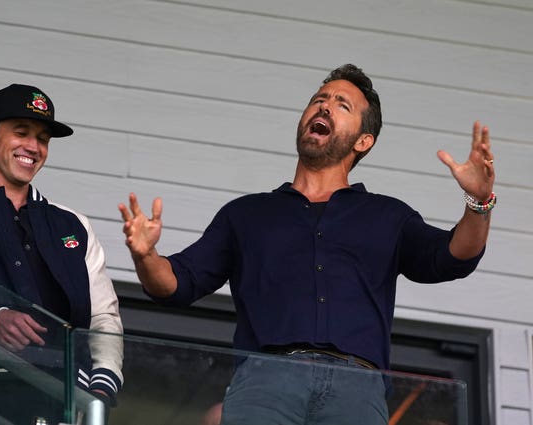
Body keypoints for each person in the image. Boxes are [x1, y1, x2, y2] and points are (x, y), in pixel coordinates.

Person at [118, 64, 495, 424]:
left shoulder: (389, 216)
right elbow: (175, 284)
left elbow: (453, 257)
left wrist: (479, 202)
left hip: (357, 389)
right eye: (319, 99)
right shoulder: (247, 214)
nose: (324, 105)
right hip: (266, 383)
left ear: (364, 141)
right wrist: (146, 255)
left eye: (341, 105)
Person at [0, 83, 123, 424]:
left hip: (68, 399)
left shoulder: (74, 224)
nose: (33, 147)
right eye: (21, 132)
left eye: (43, 138)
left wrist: (100, 390)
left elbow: (103, 318)